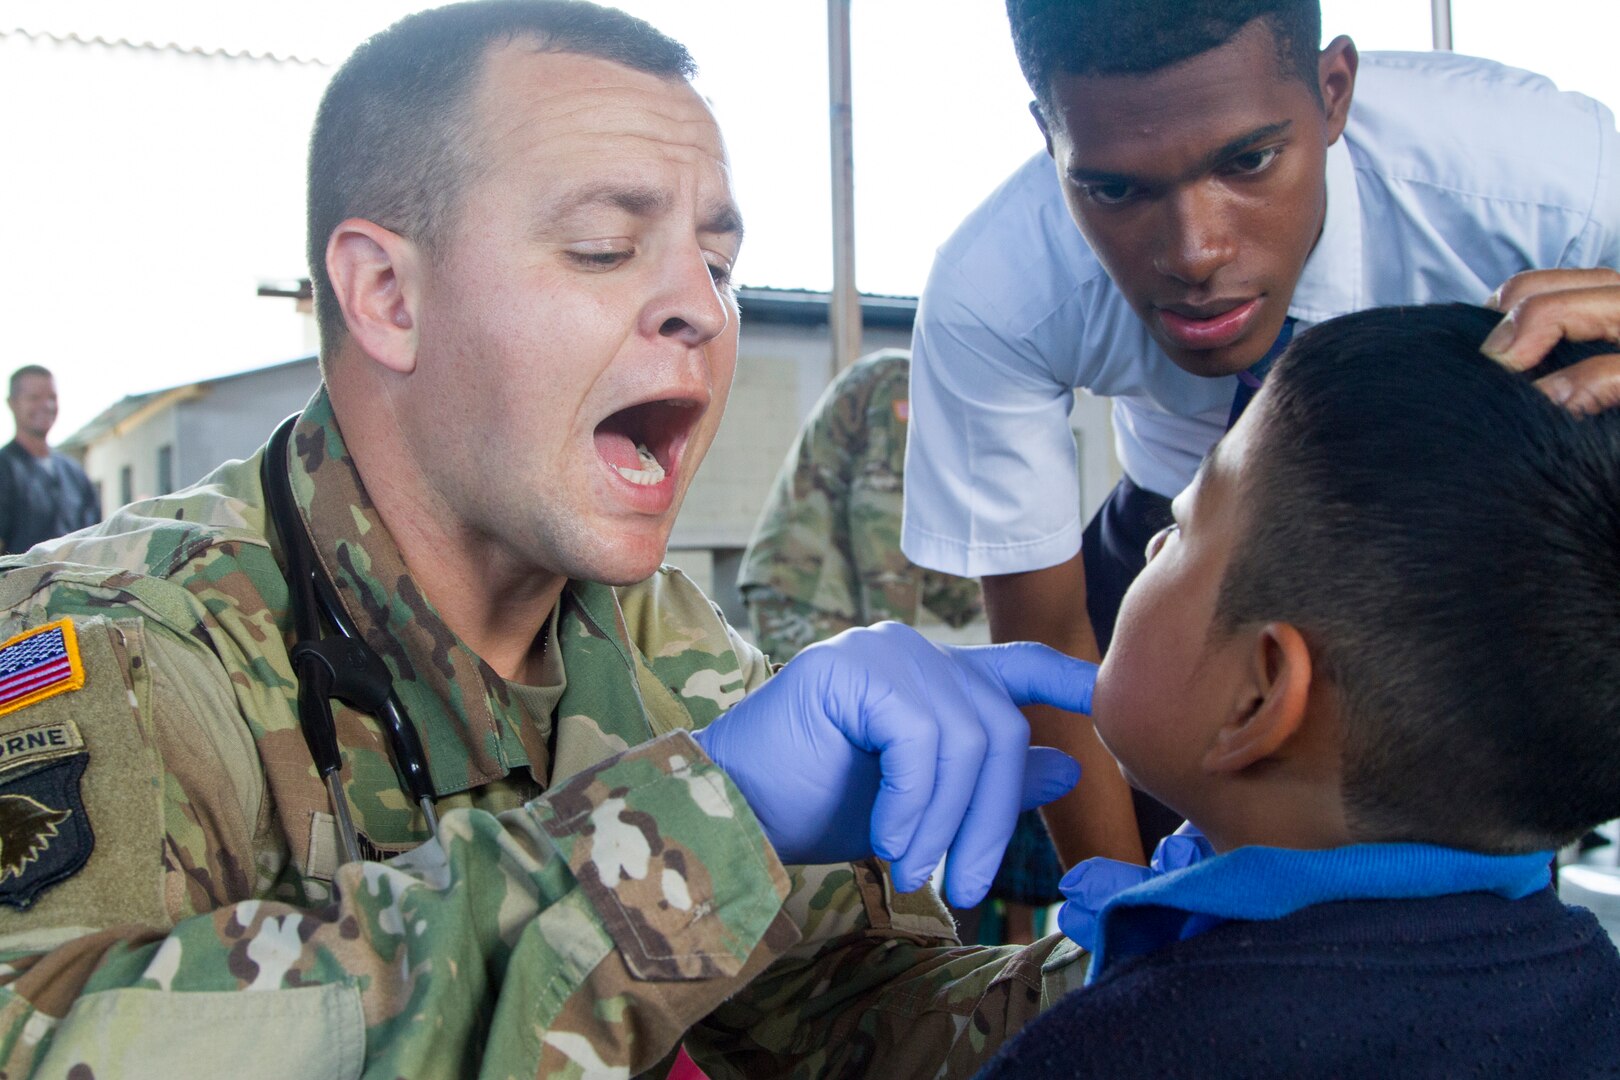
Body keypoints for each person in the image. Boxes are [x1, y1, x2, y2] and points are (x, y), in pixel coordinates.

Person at [0, 4, 1100, 1076]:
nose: (705, 313)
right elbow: (53, 1042)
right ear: (387, 295)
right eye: (604, 247)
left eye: (716, 262)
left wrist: (1134, 987)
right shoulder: (122, 645)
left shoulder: (656, 636)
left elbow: (824, 1019)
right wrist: (695, 826)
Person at [901, 0, 1620, 867]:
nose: (1195, 252)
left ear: (1333, 91)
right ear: (1049, 136)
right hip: (1176, 545)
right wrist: (1120, 918)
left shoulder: (1551, 173)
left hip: (1455, 554)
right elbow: (1048, 633)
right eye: (1116, 188)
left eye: (1248, 160)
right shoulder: (997, 285)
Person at [976, 302, 1620, 1078]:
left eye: (1182, 523)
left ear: (1260, 693)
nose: (1149, 541)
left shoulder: (1115, 1053)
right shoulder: (1594, 996)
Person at [739, 348, 1060, 945]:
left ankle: (859, 932)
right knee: (847, 768)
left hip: (823, 585)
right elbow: (882, 527)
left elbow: (931, 564)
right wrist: (901, 672)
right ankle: (837, 943)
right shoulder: (903, 385)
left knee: (866, 771)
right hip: (812, 588)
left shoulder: (932, 410)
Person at [0, 365, 99, 554]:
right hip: (20, 581)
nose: (46, 405)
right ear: (12, 404)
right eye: (34, 398)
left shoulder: (75, 474)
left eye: (52, 398)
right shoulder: (4, 469)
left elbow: (97, 540)